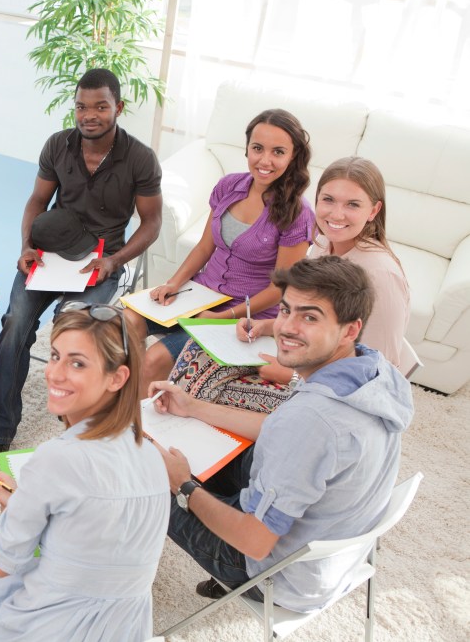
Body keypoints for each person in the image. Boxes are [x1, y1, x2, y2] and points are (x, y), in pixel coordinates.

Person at [150, 255, 413, 611]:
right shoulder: (376, 369)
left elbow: (254, 543)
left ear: (350, 329)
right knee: (212, 447)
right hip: (335, 553)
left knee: (145, 475)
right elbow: (276, 430)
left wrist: (183, 485)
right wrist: (193, 407)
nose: (286, 328)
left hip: (275, 573)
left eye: (309, 317)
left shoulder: (312, 422)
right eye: (286, 310)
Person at [0, 68, 163, 472]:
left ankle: (77, 431)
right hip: (51, 254)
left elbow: (151, 223)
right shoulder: (57, 145)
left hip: (103, 260)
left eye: (100, 106)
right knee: (14, 325)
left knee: (73, 330)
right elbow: (36, 202)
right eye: (81, 106)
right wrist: (26, 246)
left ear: (119, 107)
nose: (89, 115)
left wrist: (115, 261)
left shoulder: (140, 158)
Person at [0, 302, 169, 641]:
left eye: (77, 363)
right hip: (124, 628)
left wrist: (14, 513)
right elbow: (93, 532)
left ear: (117, 378)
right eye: (54, 356)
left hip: (51, 627)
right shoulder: (152, 454)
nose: (54, 373)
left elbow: (5, 563)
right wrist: (25, 501)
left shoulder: (55, 459)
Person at [169, 156, 411, 412]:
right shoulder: (321, 245)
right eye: (328, 200)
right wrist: (263, 326)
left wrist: (292, 377)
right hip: (304, 359)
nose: (336, 214)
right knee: (197, 355)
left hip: (335, 398)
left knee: (203, 392)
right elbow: (314, 320)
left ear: (373, 210)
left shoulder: (381, 276)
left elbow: (374, 374)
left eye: (352, 204)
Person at [142, 109, 315, 388]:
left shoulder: (299, 214)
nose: (265, 160)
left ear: (293, 156)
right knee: (125, 323)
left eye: (278, 152)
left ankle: (144, 426)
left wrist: (222, 317)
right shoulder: (228, 186)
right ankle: (131, 398)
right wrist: (173, 283)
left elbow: (282, 289)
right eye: (257, 148)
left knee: (155, 358)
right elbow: (204, 247)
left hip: (246, 316)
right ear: (247, 149)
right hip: (201, 295)